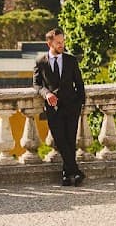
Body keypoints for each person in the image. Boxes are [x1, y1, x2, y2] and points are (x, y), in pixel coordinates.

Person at [33, 27, 86, 185]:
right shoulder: (41, 61)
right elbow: (36, 84)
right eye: (58, 42)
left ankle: (67, 174)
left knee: (70, 140)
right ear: (49, 43)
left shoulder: (71, 60)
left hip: (72, 106)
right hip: (53, 109)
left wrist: (80, 104)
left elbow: (79, 84)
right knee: (60, 140)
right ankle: (75, 172)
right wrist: (47, 94)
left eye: (62, 42)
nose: (61, 45)